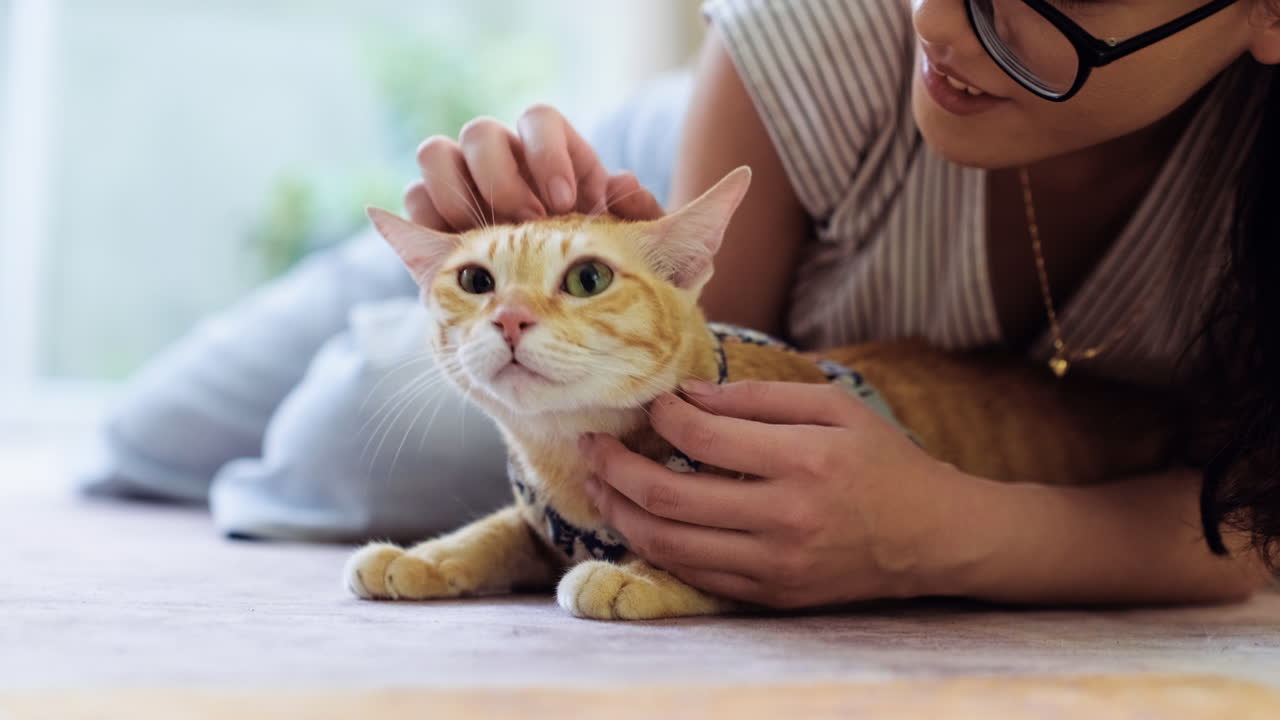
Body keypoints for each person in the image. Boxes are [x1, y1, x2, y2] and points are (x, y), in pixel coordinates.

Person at [402, 0, 1280, 608]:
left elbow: (1256, 530)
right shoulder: (815, 31)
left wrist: (939, 534)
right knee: (368, 448)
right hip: (625, 233)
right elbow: (683, 452)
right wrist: (476, 260)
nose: (934, 24)